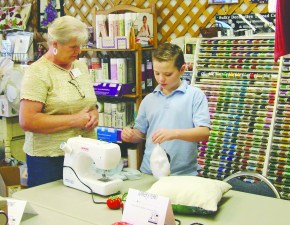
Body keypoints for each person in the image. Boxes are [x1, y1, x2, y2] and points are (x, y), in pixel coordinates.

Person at [19, 16, 99, 187]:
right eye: (73, 47)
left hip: (84, 152)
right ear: (54, 44)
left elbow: (88, 103)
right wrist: (75, 120)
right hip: (49, 160)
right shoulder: (37, 72)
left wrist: (94, 113)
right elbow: (27, 120)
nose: (78, 51)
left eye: (80, 45)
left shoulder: (80, 67)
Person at [121, 43, 210, 176]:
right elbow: (141, 135)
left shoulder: (195, 96)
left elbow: (204, 133)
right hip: (149, 172)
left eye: (168, 74)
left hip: (183, 175)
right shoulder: (148, 100)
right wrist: (130, 136)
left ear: (182, 69)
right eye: (157, 73)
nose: (161, 79)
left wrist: (174, 133)